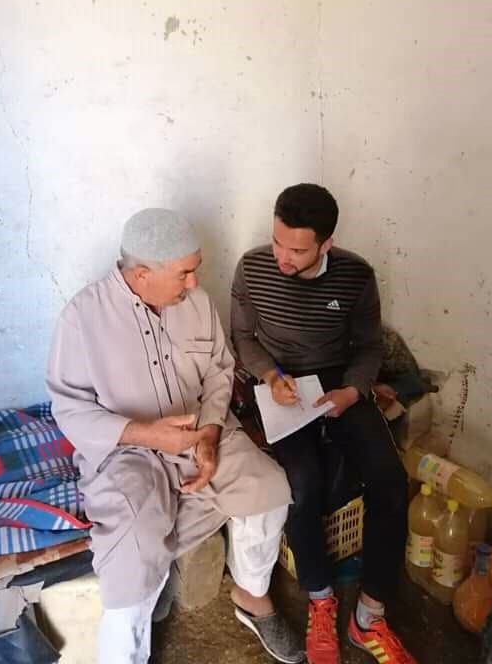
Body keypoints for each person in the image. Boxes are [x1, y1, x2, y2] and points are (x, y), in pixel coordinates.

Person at [46, 208, 304, 664]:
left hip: (206, 430)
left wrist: (207, 432)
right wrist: (145, 435)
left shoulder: (197, 302)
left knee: (269, 489)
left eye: (196, 269)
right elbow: (68, 407)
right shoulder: (82, 318)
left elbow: (221, 370)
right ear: (142, 273)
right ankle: (128, 645)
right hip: (128, 450)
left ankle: (252, 597)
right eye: (184, 273)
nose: (194, 283)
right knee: (134, 548)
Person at [231, 184, 416, 664]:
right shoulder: (253, 268)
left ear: (326, 245)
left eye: (297, 249)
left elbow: (370, 345)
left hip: (338, 384)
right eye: (277, 242)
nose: (283, 257)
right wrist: (269, 376)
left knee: (390, 481)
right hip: (281, 386)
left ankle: (369, 617)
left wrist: (354, 390)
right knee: (303, 482)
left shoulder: (356, 275)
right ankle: (320, 601)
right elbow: (243, 334)